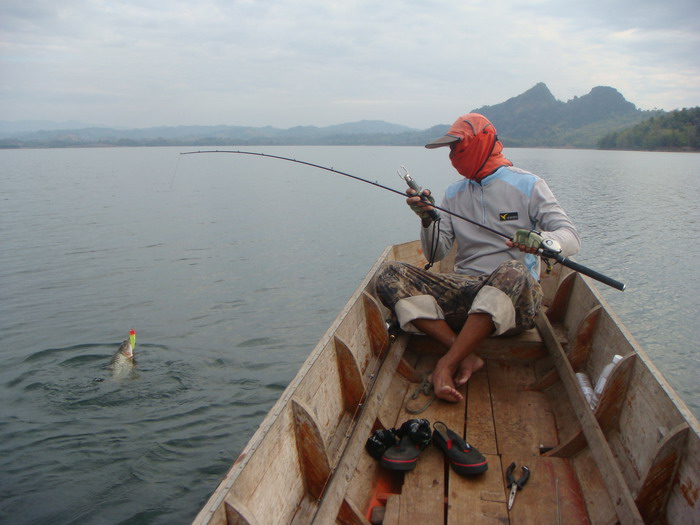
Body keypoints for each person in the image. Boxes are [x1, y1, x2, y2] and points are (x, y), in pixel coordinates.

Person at [375, 113, 580, 402]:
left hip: (514, 303)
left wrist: (545, 241)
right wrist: (426, 219)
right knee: (389, 274)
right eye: (449, 149)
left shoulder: (529, 185)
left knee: (513, 270)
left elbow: (570, 236)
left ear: (480, 143)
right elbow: (436, 253)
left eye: (455, 147)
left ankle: (446, 363)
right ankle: (466, 353)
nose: (451, 156)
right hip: (466, 292)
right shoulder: (454, 193)